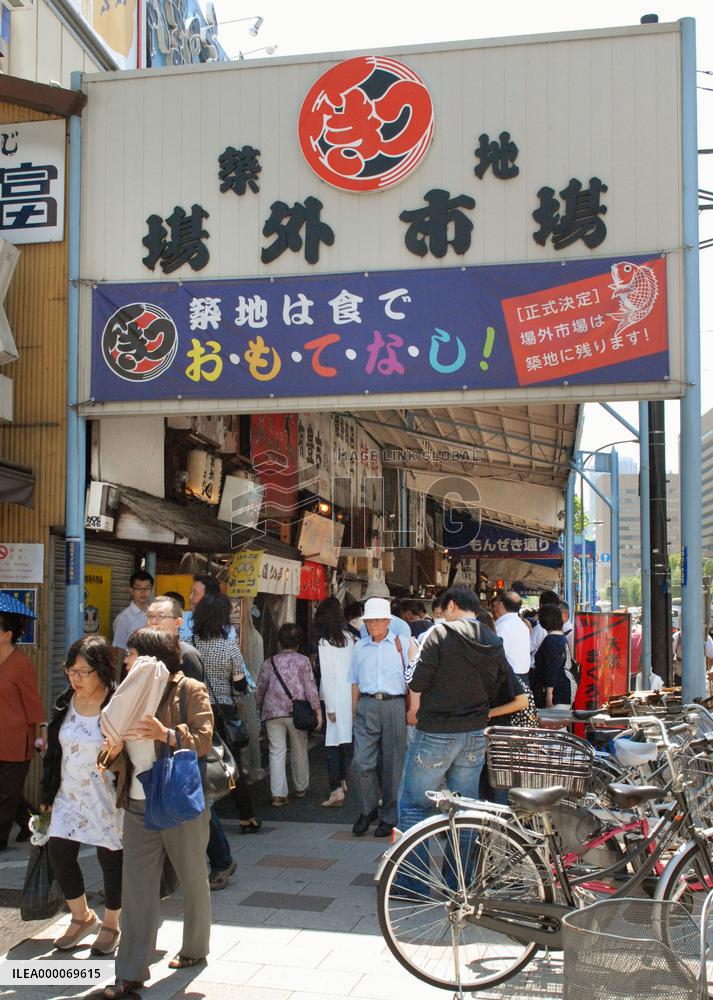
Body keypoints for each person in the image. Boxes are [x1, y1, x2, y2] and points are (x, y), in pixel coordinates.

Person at [100, 628, 213, 998]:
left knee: (193, 876)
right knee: (136, 887)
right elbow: (117, 753)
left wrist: (166, 733)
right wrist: (109, 752)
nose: (126, 661)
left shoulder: (189, 689)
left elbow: (204, 739)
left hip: (177, 802)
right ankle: (130, 971)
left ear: (151, 658)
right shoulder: (126, 693)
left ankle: (195, 948)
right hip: (136, 803)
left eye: (131, 654)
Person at [398, 586, 521, 835]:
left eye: (443, 609)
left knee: (415, 807)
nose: (442, 614)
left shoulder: (440, 633)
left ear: (451, 605)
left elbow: (416, 682)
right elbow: (497, 684)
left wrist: (412, 658)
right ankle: (460, 874)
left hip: (436, 731)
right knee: (466, 812)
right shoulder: (492, 639)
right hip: (475, 733)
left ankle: (413, 875)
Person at [42, 636, 123, 953]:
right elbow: (53, 752)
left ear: (101, 670)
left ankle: (112, 923)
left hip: (105, 795)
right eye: (70, 671)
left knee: (111, 858)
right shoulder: (65, 700)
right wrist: (48, 791)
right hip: (69, 793)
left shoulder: (116, 704)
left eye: (82, 672)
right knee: (59, 853)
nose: (74, 678)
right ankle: (81, 916)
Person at [192, 591, 260, 889]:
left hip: (195, 712)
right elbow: (241, 683)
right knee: (230, 764)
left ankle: (210, 813)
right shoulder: (228, 647)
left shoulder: (190, 646)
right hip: (224, 711)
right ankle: (246, 817)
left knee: (201, 764)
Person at [350, 597, 413, 838]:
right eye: (369, 620)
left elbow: (413, 682)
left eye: (378, 619)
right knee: (361, 761)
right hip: (366, 704)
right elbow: (354, 681)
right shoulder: (359, 647)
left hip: (395, 704)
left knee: (393, 762)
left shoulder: (403, 644)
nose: (373, 624)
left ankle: (389, 815)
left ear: (388, 621)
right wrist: (354, 709)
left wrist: (412, 709)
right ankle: (368, 809)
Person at [256, 623, 322, 806]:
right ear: (299, 642)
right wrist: (318, 712)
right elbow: (311, 688)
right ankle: (300, 786)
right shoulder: (303, 661)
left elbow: (260, 688)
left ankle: (277, 794)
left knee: (276, 751)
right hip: (297, 712)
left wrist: (258, 708)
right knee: (299, 748)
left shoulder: (270, 662)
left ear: (280, 642)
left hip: (272, 711)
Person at [0, 598, 46, 853]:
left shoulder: (21, 665)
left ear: (7, 635)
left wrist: (41, 733)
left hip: (17, 740)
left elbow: (33, 703)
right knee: (9, 792)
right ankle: (32, 823)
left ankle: (0, 840)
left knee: (5, 794)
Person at [313, 598, 354, 807]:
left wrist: (328, 706)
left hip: (334, 698)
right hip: (349, 697)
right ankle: (343, 781)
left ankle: (336, 789)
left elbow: (327, 676)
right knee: (344, 741)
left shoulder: (324, 642)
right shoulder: (349, 638)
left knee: (331, 743)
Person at [146, 595, 204, 681]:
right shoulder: (145, 651)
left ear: (178, 622)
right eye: (150, 616)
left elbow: (192, 692)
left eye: (161, 616)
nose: (153, 621)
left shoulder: (187, 655)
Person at [531, 604, 575, 710]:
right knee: (559, 723)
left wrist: (549, 691)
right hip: (564, 686)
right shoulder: (560, 637)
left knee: (554, 723)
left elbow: (552, 666)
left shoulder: (551, 640)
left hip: (557, 691)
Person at [112, 571, 154, 673]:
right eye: (139, 588)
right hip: (132, 671)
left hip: (152, 670)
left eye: (147, 588)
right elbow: (119, 651)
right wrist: (117, 682)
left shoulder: (154, 614)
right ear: (131, 591)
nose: (143, 592)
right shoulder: (124, 618)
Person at [179, 574, 236, 643]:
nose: (190, 597)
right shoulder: (180, 619)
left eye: (195, 593)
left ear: (209, 598)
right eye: (191, 592)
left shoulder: (226, 629)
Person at [493, 589, 531, 681]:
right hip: (523, 676)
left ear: (501, 605)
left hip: (509, 679)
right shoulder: (522, 625)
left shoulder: (503, 626)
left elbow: (497, 655)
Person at [529, 589, 561, 667]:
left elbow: (529, 648)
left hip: (537, 668)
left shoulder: (541, 628)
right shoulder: (558, 629)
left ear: (542, 605)